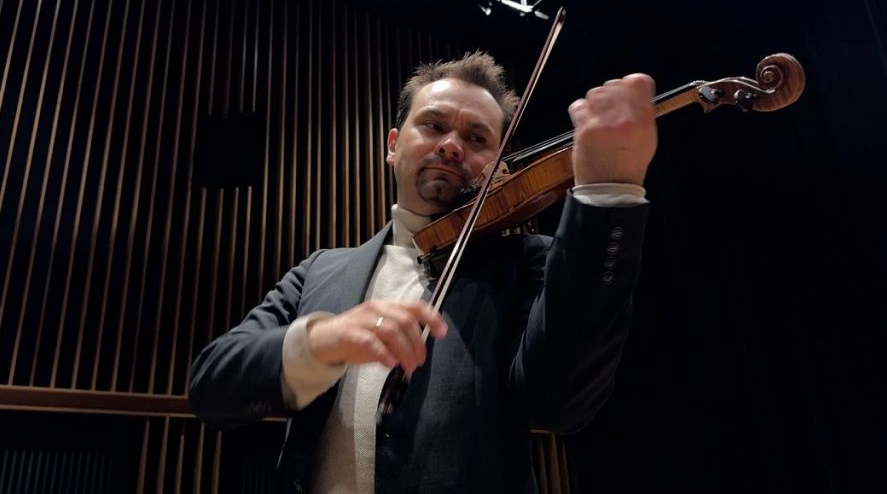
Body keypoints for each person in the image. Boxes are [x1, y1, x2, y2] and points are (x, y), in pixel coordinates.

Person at [189, 52, 657, 493]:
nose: (451, 146)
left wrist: (608, 194)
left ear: (497, 166)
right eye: (433, 125)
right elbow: (212, 386)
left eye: (477, 139)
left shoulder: (529, 265)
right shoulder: (320, 271)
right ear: (393, 146)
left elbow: (560, 404)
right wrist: (320, 342)